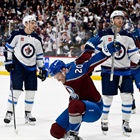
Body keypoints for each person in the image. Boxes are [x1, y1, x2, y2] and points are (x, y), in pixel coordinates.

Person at [48, 35, 122, 140]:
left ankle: (74, 136)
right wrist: (89, 47)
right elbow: (80, 60)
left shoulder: (74, 74)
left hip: (95, 108)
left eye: (57, 75)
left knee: (73, 104)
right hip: (80, 107)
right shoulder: (68, 67)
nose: (57, 79)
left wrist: (107, 51)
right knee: (55, 130)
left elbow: (92, 63)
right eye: (55, 76)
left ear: (63, 70)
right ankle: (70, 136)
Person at [96, 10, 140, 136]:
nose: (120, 20)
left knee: (127, 98)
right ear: (112, 20)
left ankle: (126, 122)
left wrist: (139, 59)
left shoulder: (128, 36)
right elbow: (98, 53)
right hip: (108, 72)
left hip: (126, 73)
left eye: (121, 18)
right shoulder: (103, 35)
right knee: (108, 99)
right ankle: (104, 120)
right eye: (117, 18)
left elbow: (132, 54)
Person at [3, 14, 47, 125]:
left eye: (34, 23)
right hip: (18, 66)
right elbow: (8, 49)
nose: (34, 25)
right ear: (26, 23)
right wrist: (9, 62)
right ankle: (9, 112)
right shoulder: (16, 35)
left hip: (32, 69)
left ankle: (28, 114)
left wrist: (41, 68)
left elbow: (39, 55)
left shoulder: (36, 38)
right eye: (32, 23)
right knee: (16, 91)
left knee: (31, 92)